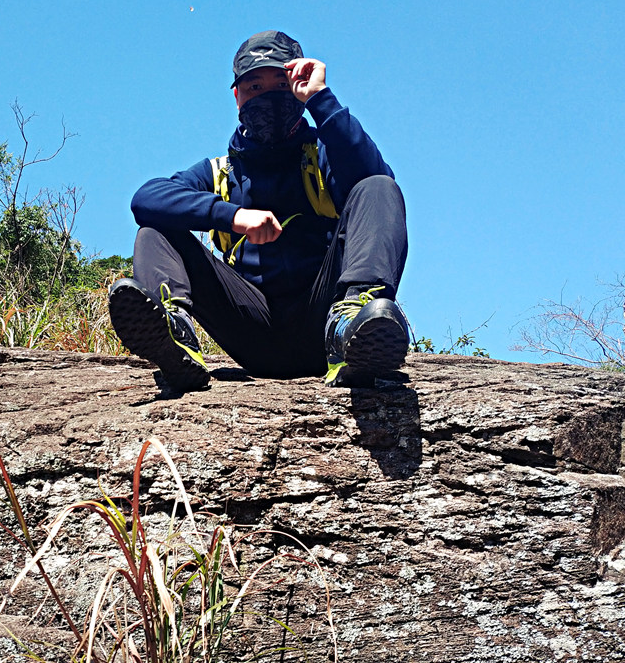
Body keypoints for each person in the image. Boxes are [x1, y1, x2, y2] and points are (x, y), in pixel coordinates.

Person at [108, 30, 409, 392]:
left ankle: (351, 323)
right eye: (254, 88)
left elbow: (375, 183)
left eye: (281, 86)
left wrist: (320, 99)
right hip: (252, 333)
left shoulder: (324, 153)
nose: (268, 97)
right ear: (237, 97)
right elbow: (146, 198)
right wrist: (232, 216)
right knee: (155, 227)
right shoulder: (219, 172)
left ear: (298, 88)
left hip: (324, 326)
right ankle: (175, 336)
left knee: (378, 186)